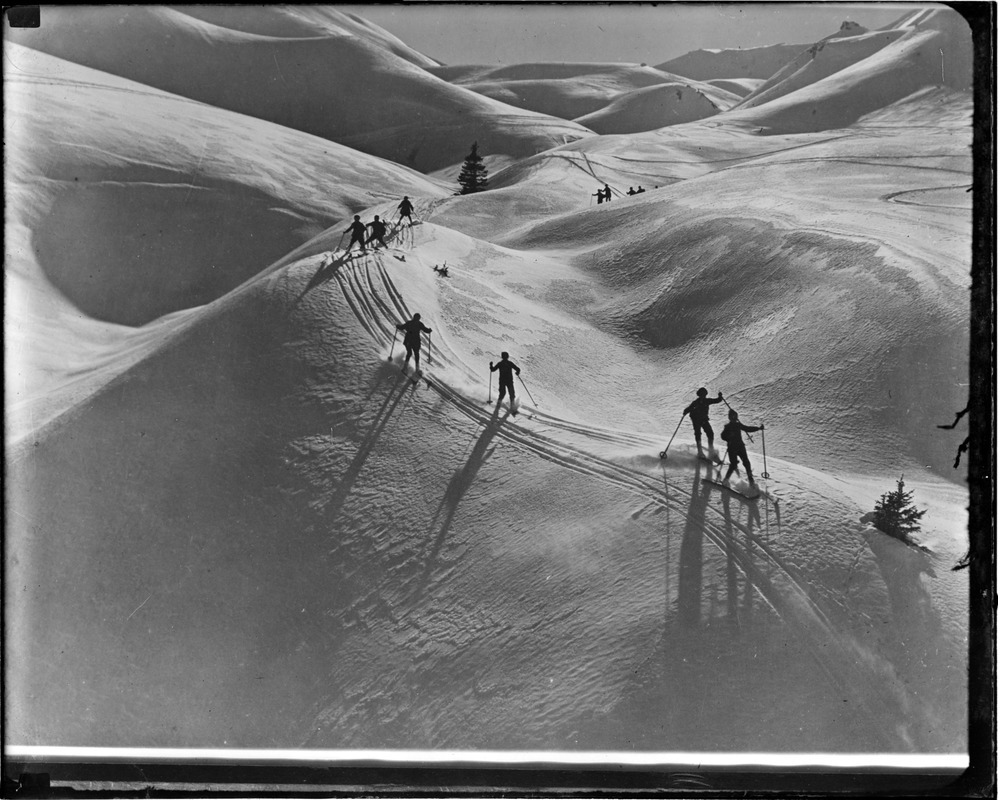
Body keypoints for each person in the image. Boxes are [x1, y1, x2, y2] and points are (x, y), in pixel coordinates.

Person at [720, 409, 763, 485]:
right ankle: (726, 480)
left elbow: (748, 428)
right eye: (732, 417)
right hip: (733, 447)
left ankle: (750, 480)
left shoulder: (737, 425)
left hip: (738, 447)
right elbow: (723, 436)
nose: (733, 419)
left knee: (745, 462)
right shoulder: (728, 427)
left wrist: (758, 428)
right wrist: (729, 437)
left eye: (734, 417)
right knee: (735, 464)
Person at [683, 387, 724, 458]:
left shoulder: (706, 401)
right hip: (696, 419)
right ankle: (700, 452)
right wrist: (685, 411)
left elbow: (716, 400)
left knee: (710, 433)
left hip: (704, 420)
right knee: (698, 433)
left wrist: (720, 397)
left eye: (704, 394)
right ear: (699, 395)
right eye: (702, 394)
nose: (703, 396)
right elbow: (688, 409)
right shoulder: (696, 402)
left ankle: (711, 450)